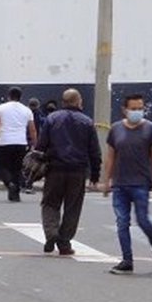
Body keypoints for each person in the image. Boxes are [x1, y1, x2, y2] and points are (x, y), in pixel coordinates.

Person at [101, 94, 152, 274]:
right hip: (120, 184)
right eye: (134, 108)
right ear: (125, 109)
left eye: (140, 108)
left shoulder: (150, 129)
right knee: (122, 222)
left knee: (143, 220)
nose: (137, 111)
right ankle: (127, 260)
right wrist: (106, 181)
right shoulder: (116, 129)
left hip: (141, 183)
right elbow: (110, 157)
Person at [37, 89, 102, 256]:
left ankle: (51, 233)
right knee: (73, 207)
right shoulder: (87, 122)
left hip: (54, 169)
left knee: (50, 203)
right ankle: (64, 242)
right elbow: (94, 151)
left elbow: (41, 145)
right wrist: (95, 174)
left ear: (63, 101)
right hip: (77, 171)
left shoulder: (52, 119)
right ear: (79, 101)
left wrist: (38, 164)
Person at [0, 87, 38, 202]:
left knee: (2, 166)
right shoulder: (27, 110)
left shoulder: (1, 108)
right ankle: (15, 195)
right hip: (21, 142)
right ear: (20, 97)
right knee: (16, 169)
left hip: (4, 141)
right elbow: (32, 129)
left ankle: (9, 183)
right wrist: (34, 143)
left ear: (9, 96)